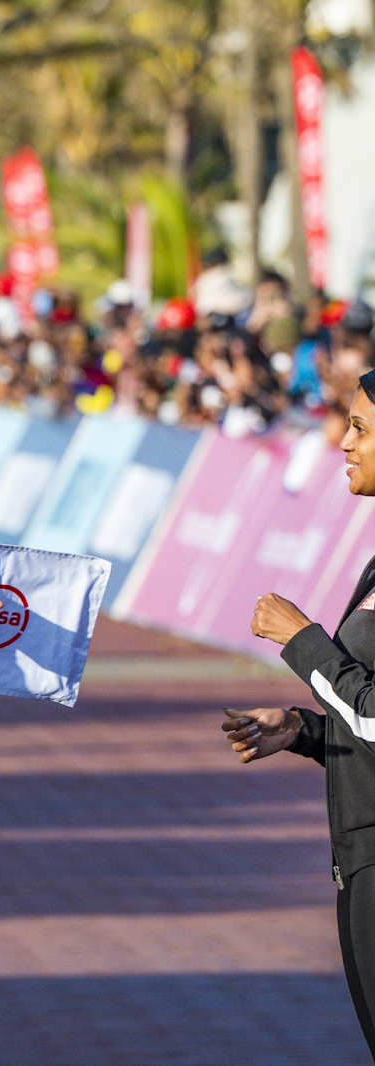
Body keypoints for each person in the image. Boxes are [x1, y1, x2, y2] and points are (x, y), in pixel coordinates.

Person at [225, 367, 375, 1060]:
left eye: (362, 429)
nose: (343, 442)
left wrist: (304, 642)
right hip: (357, 853)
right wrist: (304, 730)